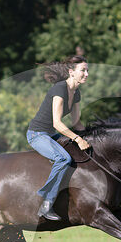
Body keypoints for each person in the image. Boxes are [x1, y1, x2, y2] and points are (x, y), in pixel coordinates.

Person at [26, 55, 91, 220]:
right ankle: (45, 202)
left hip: (51, 135)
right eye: (83, 70)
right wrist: (77, 139)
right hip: (37, 134)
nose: (86, 74)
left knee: (74, 153)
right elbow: (57, 123)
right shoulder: (59, 88)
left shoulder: (76, 93)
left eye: (87, 70)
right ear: (71, 72)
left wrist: (89, 138)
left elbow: (77, 123)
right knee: (63, 159)